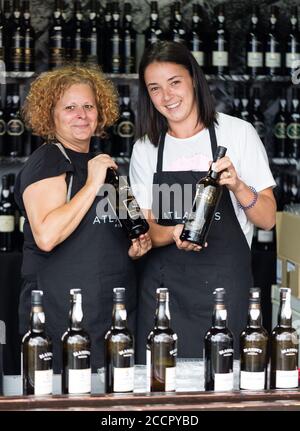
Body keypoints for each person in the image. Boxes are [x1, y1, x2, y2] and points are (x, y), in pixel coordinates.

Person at [129, 41, 276, 363]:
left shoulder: (238, 133)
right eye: (155, 88)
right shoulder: (146, 148)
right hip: (164, 291)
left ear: (193, 79)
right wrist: (171, 234)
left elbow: (267, 219)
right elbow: (144, 230)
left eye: (174, 83)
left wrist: (237, 185)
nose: (167, 97)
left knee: (225, 382)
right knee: (160, 383)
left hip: (225, 289)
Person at [14, 65, 152, 372]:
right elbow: (47, 236)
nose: (82, 114)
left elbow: (112, 236)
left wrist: (134, 249)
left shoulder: (101, 165)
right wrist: (91, 184)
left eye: (89, 106)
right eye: (70, 107)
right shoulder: (49, 160)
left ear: (100, 113)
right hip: (62, 314)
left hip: (109, 313)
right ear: (50, 115)